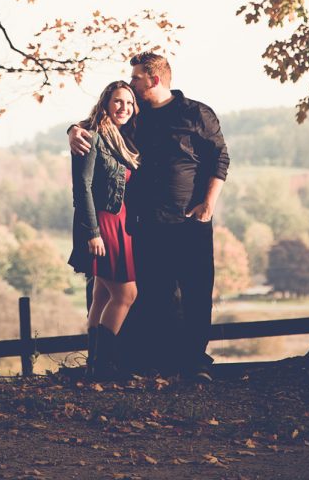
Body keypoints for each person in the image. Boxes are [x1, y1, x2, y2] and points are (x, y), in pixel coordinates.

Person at [69, 52, 229, 381]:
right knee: (154, 295)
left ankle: (195, 365)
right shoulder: (137, 117)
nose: (131, 83)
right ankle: (150, 363)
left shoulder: (196, 114)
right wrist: (72, 130)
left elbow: (220, 159)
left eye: (136, 78)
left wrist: (208, 204)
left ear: (154, 80)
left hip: (190, 223)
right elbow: (100, 125)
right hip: (142, 226)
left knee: (196, 292)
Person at [68, 80, 140, 380]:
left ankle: (93, 366)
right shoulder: (92, 136)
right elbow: (82, 187)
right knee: (126, 294)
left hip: (120, 222)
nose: (124, 107)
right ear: (106, 103)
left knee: (100, 295)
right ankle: (104, 366)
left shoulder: (121, 138)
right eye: (117, 102)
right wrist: (93, 232)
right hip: (103, 223)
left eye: (129, 102)